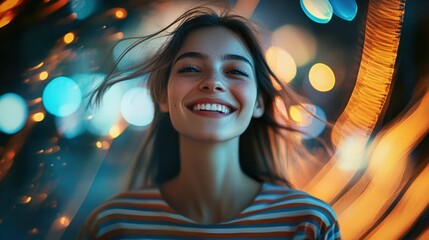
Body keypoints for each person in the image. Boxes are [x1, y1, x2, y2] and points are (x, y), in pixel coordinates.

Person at [80, 4, 341, 240]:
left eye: (235, 71)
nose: (214, 82)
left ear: (259, 103)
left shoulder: (310, 224)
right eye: (191, 68)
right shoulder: (112, 226)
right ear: (162, 96)